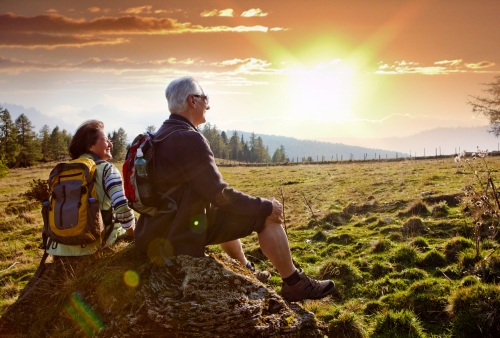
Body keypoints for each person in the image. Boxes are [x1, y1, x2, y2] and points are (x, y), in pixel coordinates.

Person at [134, 77, 335, 301]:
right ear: (193, 101)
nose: (207, 105)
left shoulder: (160, 135)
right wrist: (265, 206)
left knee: (227, 212)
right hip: (176, 236)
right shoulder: (189, 138)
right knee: (266, 217)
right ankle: (295, 284)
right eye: (205, 98)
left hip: (154, 231)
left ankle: (246, 268)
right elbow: (220, 196)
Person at [46, 120, 135, 257]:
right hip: (94, 244)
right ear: (90, 147)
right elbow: (121, 207)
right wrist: (132, 233)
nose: (110, 144)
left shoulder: (63, 171)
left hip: (60, 246)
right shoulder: (107, 169)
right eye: (105, 140)